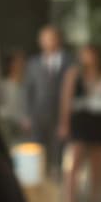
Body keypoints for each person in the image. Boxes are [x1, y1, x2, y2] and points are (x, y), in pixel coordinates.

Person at [60, 42, 101, 202]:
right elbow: (66, 99)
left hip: (98, 121)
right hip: (80, 121)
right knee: (75, 161)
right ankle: (71, 201)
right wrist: (64, 123)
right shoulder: (74, 74)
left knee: (98, 163)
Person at [24, 24, 70, 176]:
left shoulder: (69, 62)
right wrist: (27, 115)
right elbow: (29, 90)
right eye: (44, 39)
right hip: (38, 114)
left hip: (60, 114)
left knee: (58, 154)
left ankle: (56, 181)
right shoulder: (33, 63)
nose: (47, 42)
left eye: (51, 38)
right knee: (38, 151)